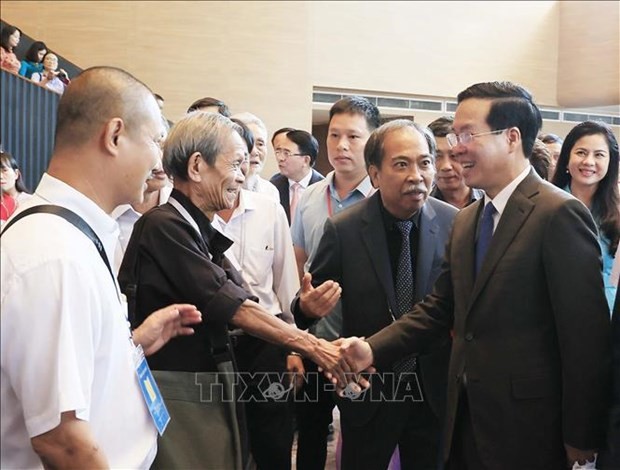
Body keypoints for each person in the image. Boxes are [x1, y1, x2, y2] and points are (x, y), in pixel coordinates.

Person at [338, 81, 611, 470]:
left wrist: (582, 438)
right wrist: (372, 348)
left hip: (530, 430)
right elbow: (440, 307)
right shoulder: (468, 219)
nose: (456, 147)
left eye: (467, 135)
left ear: (512, 137)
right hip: (464, 421)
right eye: (454, 135)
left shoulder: (557, 214)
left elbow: (586, 339)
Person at [0, 66, 203, 469]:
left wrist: (129, 345)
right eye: (155, 141)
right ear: (114, 136)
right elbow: (62, 441)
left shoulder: (69, 236)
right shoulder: (54, 255)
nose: (159, 162)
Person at [117, 111, 343, 470]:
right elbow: (233, 307)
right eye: (236, 163)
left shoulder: (197, 228)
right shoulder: (165, 226)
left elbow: (248, 303)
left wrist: (300, 316)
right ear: (196, 166)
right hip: (182, 396)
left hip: (215, 389)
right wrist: (316, 347)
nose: (243, 175)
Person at [295, 120, 457, 469]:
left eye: (425, 162)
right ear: (375, 173)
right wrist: (305, 309)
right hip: (369, 390)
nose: (417, 174)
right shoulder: (344, 229)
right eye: (402, 164)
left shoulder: (454, 224)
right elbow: (311, 303)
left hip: (432, 392)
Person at [291, 95, 380, 470]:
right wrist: (297, 341)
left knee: (362, 435)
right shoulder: (309, 198)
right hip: (317, 342)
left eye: (354, 137)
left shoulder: (384, 200)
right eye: (335, 135)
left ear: (372, 142)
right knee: (311, 432)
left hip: (364, 345)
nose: (341, 146)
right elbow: (298, 271)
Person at [212, 119, 301, 470]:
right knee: (221, 436)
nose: (242, 164)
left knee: (272, 434)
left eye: (244, 156)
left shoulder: (269, 209)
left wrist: (294, 346)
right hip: (216, 344)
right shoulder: (191, 217)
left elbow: (286, 284)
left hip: (267, 342)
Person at [551, 120, 619, 312]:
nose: (588, 161)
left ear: (610, 162)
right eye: (581, 152)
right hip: (558, 317)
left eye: (599, 155)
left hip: (609, 318)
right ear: (566, 158)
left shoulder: (618, 212)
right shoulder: (545, 207)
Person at [270, 129, 325, 224]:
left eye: (287, 153)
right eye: (279, 152)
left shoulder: (323, 188)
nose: (280, 158)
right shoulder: (273, 186)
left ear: (306, 160)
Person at [428, 116, 483, 209]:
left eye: (454, 155)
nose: (446, 166)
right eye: (437, 156)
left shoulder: (489, 205)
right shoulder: (420, 209)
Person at [232, 112, 280, 201]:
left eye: (260, 144)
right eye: (248, 143)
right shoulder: (219, 190)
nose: (254, 152)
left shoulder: (270, 191)